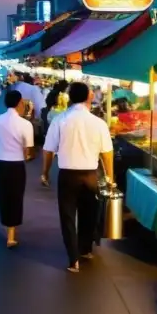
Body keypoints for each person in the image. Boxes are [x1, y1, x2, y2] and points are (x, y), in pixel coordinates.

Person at [42, 82, 114, 272]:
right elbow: (107, 153)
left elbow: (48, 150)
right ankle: (85, 249)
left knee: (67, 217)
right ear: (88, 97)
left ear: (70, 97)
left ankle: (73, 259)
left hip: (67, 175)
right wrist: (110, 177)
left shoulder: (59, 120)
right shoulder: (98, 123)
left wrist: (45, 172)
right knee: (88, 214)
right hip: (91, 175)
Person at [0, 89, 34, 248]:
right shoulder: (26, 124)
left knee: (3, 196)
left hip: (2, 164)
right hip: (18, 165)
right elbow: (29, 149)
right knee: (16, 197)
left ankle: (8, 229)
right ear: (20, 103)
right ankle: (12, 234)